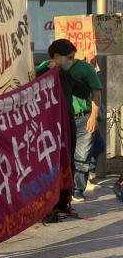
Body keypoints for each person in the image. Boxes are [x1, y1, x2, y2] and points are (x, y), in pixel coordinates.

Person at [37, 39, 101, 202]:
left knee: (75, 157)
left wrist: (93, 115)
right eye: (69, 57)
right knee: (52, 160)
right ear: (57, 56)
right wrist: (49, 71)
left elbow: (85, 91)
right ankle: (52, 195)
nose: (72, 61)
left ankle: (71, 194)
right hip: (49, 125)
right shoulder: (41, 71)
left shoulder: (68, 73)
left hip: (72, 121)